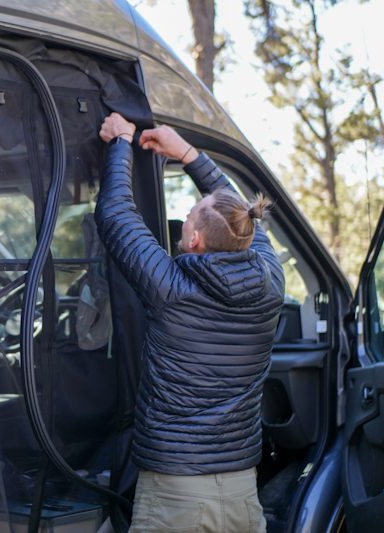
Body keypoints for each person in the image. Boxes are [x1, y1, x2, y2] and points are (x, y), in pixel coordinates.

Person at [96, 113, 284, 533]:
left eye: (192, 212)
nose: (188, 213)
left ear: (192, 239)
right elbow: (243, 216)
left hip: (175, 495)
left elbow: (115, 215)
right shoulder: (272, 281)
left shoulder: (173, 289)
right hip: (240, 494)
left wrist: (121, 141)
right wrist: (186, 153)